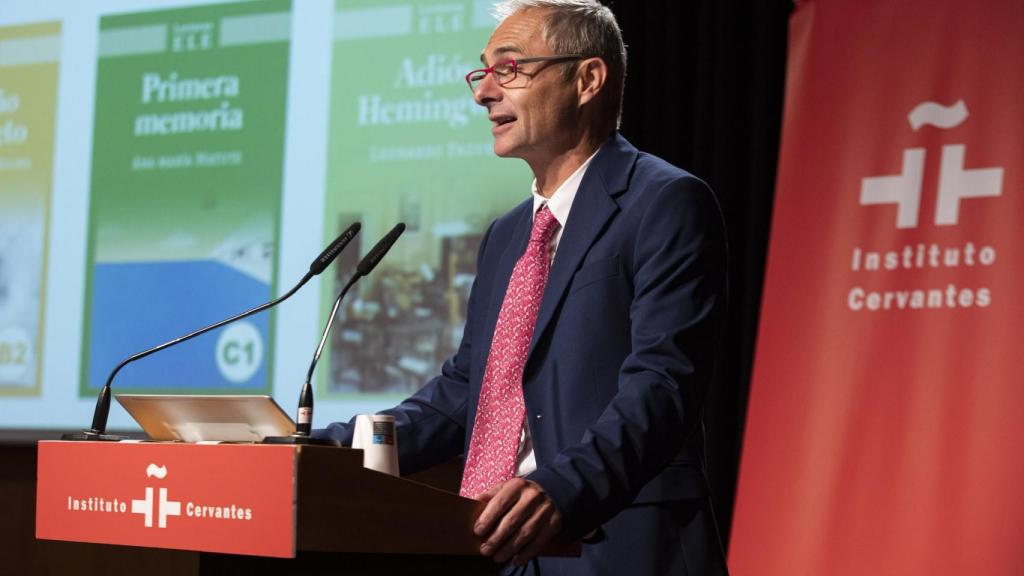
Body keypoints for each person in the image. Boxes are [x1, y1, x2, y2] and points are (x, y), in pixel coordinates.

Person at [319, 1, 729, 573]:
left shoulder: (665, 203)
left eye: (508, 68)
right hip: (506, 552)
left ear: (587, 79)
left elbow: (663, 385)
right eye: (482, 72)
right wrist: (327, 450)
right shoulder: (508, 234)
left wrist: (559, 490)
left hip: (615, 542)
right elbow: (467, 394)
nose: (483, 93)